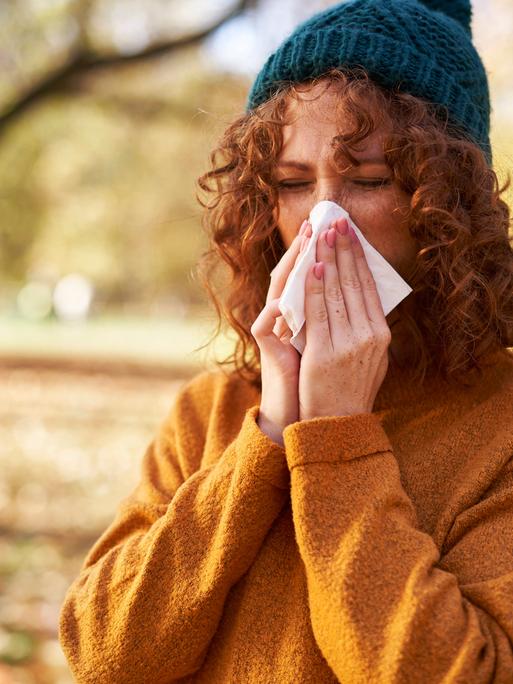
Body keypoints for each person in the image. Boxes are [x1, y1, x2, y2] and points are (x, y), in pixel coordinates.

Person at [58, 0, 513, 682]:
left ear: (445, 204)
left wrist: (336, 439)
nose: (322, 220)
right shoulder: (208, 413)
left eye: (368, 179)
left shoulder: (497, 426)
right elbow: (104, 656)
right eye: (293, 184)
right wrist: (269, 431)